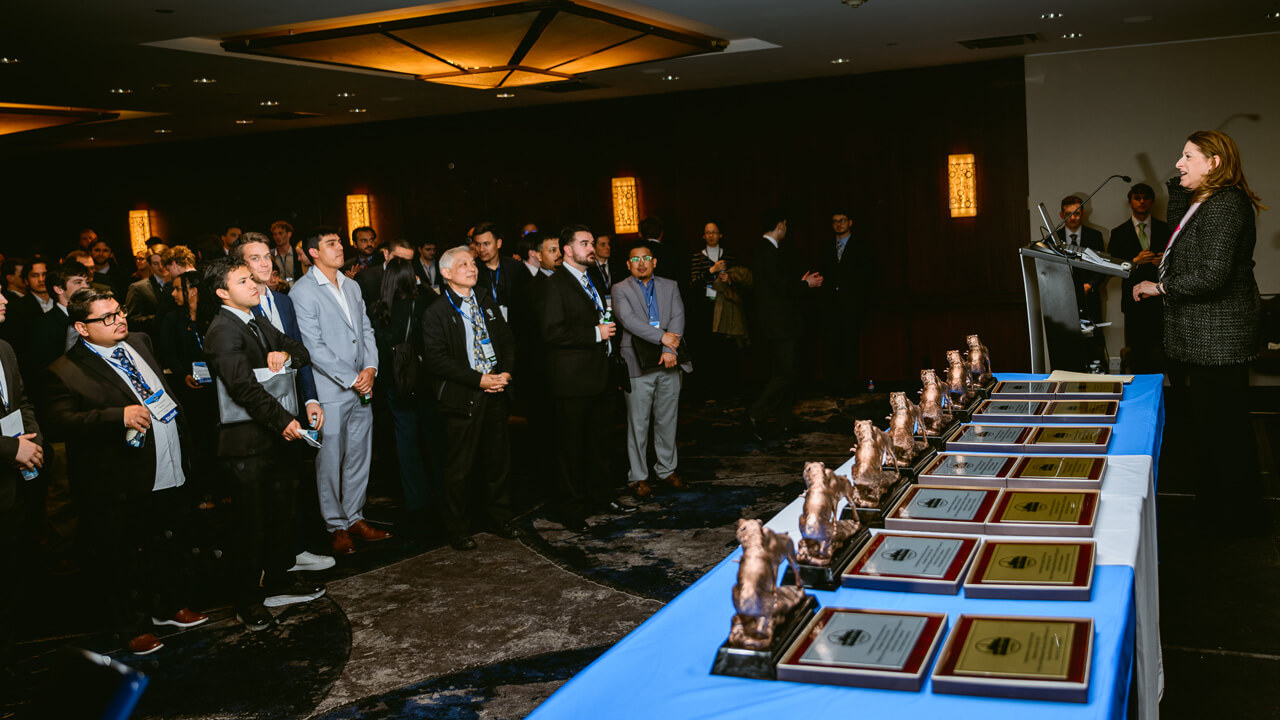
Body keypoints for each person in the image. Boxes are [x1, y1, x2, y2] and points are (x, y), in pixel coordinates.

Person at [44, 289, 208, 654]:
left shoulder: (140, 340)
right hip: (119, 479)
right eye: (106, 317)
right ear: (82, 328)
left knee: (167, 539)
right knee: (121, 554)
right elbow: (58, 423)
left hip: (168, 460)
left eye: (119, 312)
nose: (119, 320)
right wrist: (115, 417)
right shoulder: (64, 370)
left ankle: (168, 604)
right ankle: (131, 627)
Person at [1132, 130, 1265, 516]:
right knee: (1210, 427)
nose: (1178, 163)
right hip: (1204, 335)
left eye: (1188, 156)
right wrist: (1179, 188)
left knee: (1226, 430)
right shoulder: (1204, 201)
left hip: (1219, 336)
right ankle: (1218, 506)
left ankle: (1236, 517)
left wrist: (1160, 288)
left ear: (1214, 163)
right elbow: (1180, 246)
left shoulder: (1226, 204)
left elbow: (1212, 274)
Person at [202, 258, 325, 630]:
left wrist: (285, 354)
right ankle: (247, 600)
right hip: (246, 444)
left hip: (271, 439)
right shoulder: (223, 330)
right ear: (223, 292)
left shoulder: (255, 321)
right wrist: (285, 421)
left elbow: (300, 351)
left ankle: (276, 579)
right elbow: (242, 388)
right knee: (249, 525)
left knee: (278, 515)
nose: (255, 285)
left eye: (253, 279)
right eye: (244, 280)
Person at [231, 233, 331, 570]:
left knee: (290, 482)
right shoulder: (237, 311)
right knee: (265, 494)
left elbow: (300, 351)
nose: (264, 263)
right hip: (255, 412)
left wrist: (311, 398)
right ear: (239, 267)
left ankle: (295, 549)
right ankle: (275, 564)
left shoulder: (283, 301)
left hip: (291, 404)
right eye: (254, 258)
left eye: (267, 256)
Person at [289, 227, 391, 554]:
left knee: (360, 454)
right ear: (313, 252)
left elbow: (365, 329)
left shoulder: (352, 285)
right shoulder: (303, 291)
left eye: (338, 242)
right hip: (331, 389)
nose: (339, 247)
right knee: (329, 459)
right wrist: (351, 378)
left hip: (363, 383)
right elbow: (312, 346)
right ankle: (335, 525)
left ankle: (355, 516)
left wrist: (371, 368)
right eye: (331, 243)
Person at [421, 247, 523, 549]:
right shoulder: (436, 311)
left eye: (474, 263)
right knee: (460, 467)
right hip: (463, 395)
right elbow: (437, 359)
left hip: (496, 390)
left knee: (497, 460)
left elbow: (506, 339)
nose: (472, 268)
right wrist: (479, 379)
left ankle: (498, 517)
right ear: (447, 273)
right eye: (463, 264)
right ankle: (458, 528)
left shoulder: (484, 299)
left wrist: (505, 373)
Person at [540, 225, 635, 530]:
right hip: (573, 381)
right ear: (567, 250)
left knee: (600, 443)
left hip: (601, 374)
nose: (591, 248)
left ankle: (600, 496)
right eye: (584, 243)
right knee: (571, 449)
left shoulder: (592, 277)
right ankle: (571, 509)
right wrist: (596, 333)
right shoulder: (555, 284)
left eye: (592, 243)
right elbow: (551, 332)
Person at [371, 256, 440, 545]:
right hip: (423, 380)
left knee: (406, 443)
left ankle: (416, 501)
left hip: (394, 385)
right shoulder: (424, 301)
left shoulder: (379, 308)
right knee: (433, 440)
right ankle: (441, 495)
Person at [614, 240, 691, 499]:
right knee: (638, 422)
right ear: (628, 264)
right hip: (636, 363)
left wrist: (670, 349)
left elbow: (678, 317)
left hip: (668, 361)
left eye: (645, 258)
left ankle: (667, 469)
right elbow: (628, 321)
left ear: (654, 261)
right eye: (635, 259)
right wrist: (663, 339)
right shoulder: (619, 289)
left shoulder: (671, 286)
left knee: (667, 419)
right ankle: (638, 477)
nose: (641, 263)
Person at [0, 291, 44, 676]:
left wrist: (32, 441)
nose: (3, 299)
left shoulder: (4, 347)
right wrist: (7, 448)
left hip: (13, 482)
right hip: (7, 460)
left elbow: (22, 400)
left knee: (10, 576)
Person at [748, 211, 823, 437]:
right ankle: (756, 414)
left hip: (774, 324)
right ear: (781, 225)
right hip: (780, 324)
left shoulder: (765, 251)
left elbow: (775, 285)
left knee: (782, 372)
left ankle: (785, 421)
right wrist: (805, 285)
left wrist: (799, 283)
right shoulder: (768, 251)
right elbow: (782, 289)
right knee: (786, 373)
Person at [1108, 184, 1172, 373]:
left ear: (1152, 201)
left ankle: (1173, 396)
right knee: (1137, 353)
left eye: (1146, 197)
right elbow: (1112, 268)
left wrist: (1164, 261)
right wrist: (1135, 261)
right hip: (1133, 301)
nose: (1142, 201)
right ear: (1130, 202)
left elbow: (1180, 261)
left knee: (1165, 352)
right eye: (1137, 198)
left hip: (1162, 299)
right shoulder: (1118, 233)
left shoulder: (1165, 229)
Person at [687, 221, 740, 400]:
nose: (710, 235)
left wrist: (729, 278)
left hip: (725, 307)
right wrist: (712, 270)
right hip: (705, 310)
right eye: (707, 233)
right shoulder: (697, 256)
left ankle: (727, 391)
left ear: (720, 235)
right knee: (707, 350)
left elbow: (740, 278)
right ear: (703, 236)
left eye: (714, 232)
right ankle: (708, 393)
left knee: (726, 350)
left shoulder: (729, 255)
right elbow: (693, 282)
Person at [819, 210, 866, 393]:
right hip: (830, 306)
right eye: (835, 221)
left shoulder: (861, 246)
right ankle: (833, 386)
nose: (838, 224)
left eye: (842, 221)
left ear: (850, 222)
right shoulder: (825, 247)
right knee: (831, 346)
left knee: (850, 346)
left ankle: (850, 386)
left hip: (851, 306)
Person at [1055, 195, 1107, 323]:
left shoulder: (1095, 236)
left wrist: (1090, 285)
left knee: (1093, 339)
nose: (1072, 218)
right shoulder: (1054, 238)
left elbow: (1102, 265)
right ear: (1062, 215)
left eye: (1076, 213)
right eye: (1068, 214)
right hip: (1062, 297)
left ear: (1083, 214)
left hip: (1089, 297)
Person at [472, 222, 527, 324]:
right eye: (477, 244)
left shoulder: (515, 267)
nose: (481, 249)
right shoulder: (472, 270)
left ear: (498, 243)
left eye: (486, 244)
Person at [124, 243, 172, 336]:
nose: (161, 267)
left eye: (163, 262)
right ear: (149, 265)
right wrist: (159, 317)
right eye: (155, 264)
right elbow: (132, 321)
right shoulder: (138, 288)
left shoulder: (180, 283)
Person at [270, 220, 308, 286]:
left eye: (280, 233)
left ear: (289, 234)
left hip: (297, 289)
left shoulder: (297, 254)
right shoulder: (270, 255)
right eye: (275, 234)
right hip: (277, 290)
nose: (277, 237)